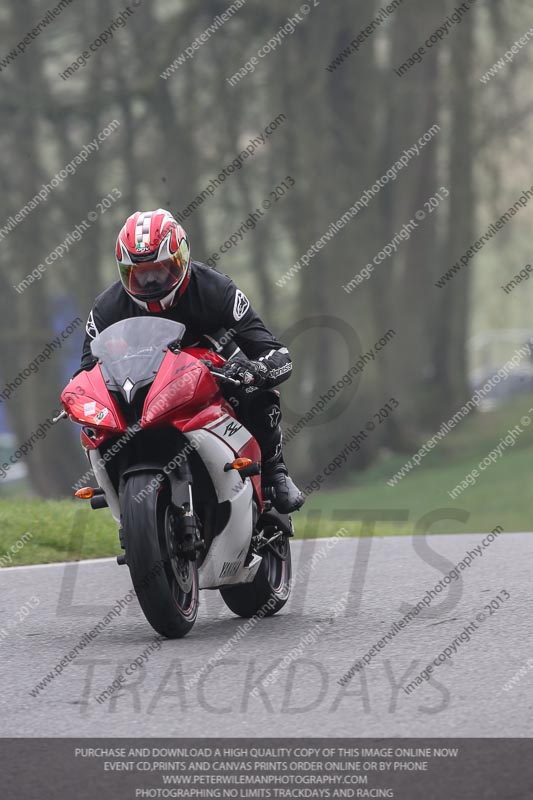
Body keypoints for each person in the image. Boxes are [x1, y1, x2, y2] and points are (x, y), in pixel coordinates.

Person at [78, 208, 304, 514]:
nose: (151, 283)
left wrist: (258, 369)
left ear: (183, 259)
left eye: (161, 270)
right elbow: (87, 370)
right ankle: (118, 487)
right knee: (95, 425)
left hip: (214, 371)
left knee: (256, 392)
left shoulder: (216, 289)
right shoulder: (107, 307)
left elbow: (273, 351)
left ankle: (275, 471)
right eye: (139, 274)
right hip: (146, 388)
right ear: (123, 272)